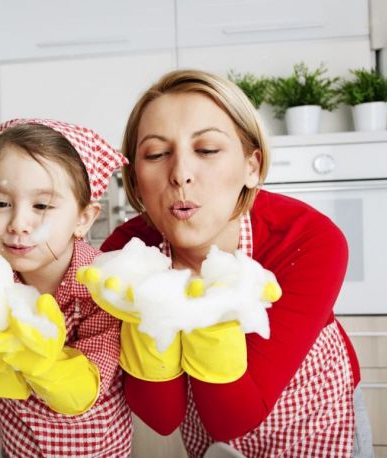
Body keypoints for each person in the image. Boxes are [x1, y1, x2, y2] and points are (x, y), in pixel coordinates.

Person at [98, 69, 371, 457]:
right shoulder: (124, 255)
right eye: (156, 154)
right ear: (136, 180)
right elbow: (161, 417)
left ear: (251, 167)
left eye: (207, 150)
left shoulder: (307, 240)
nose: (180, 174)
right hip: (210, 436)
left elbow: (233, 417)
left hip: (315, 425)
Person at [0, 119, 133, 457]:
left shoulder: (102, 289)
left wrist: (31, 356)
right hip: (20, 447)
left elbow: (83, 389)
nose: (18, 223)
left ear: (83, 219)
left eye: (42, 206)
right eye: (1, 204)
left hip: (97, 450)